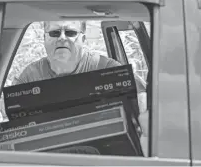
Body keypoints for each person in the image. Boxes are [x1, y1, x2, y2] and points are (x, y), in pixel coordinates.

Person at [15, 20, 148, 154]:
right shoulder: (29, 77)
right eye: (54, 33)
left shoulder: (106, 68)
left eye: (70, 32)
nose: (62, 38)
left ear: (83, 39)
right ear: (44, 38)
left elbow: (143, 98)